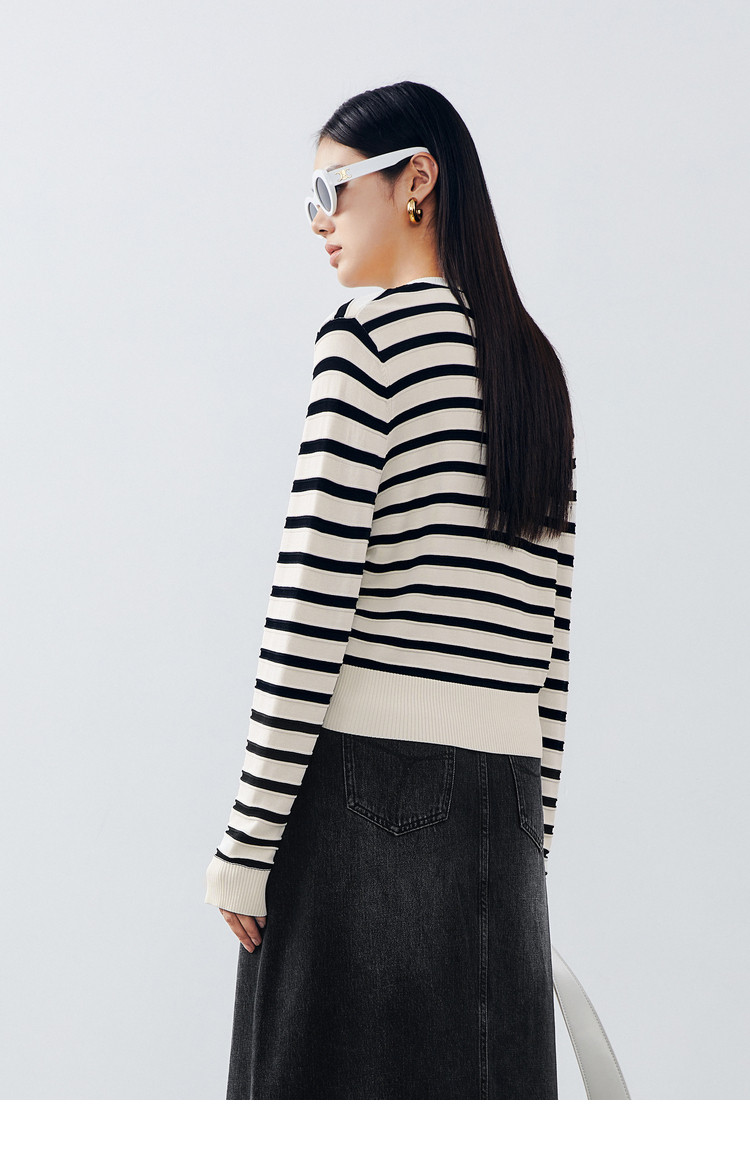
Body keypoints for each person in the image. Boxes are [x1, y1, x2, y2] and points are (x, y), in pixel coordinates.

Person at [204, 80, 577, 1100]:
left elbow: (309, 609)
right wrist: (528, 848)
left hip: (359, 799)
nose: (317, 221)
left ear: (417, 179)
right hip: (501, 811)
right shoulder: (535, 371)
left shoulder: (365, 344)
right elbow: (550, 644)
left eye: (332, 189)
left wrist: (247, 840)